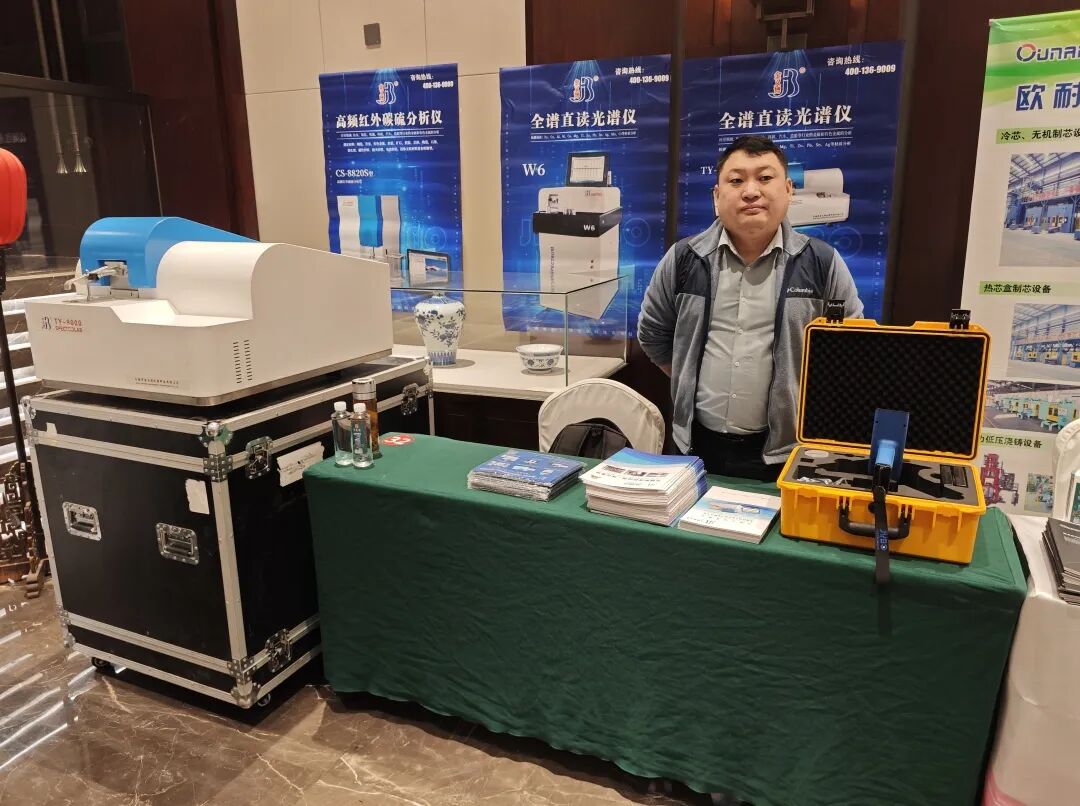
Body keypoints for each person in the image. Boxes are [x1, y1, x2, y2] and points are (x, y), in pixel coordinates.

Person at [637, 135, 863, 481]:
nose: (751, 191)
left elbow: (851, 349)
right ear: (717, 197)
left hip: (783, 454)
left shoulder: (822, 263)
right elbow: (653, 333)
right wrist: (686, 375)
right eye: (736, 180)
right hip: (695, 446)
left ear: (788, 190)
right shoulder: (684, 258)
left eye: (765, 177)